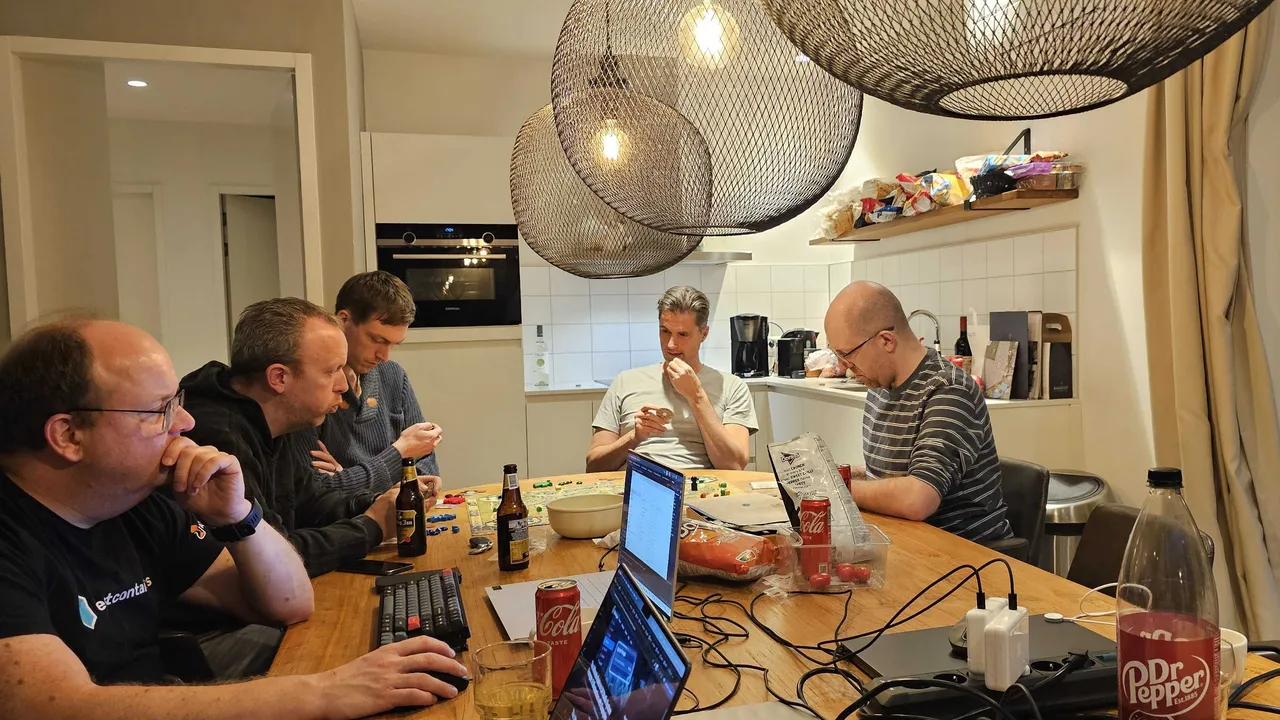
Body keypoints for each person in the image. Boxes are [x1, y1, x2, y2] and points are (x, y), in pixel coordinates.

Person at [0, 319, 467, 720]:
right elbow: (58, 708)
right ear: (67, 434)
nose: (184, 422)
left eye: (177, 401)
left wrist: (237, 517)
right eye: (160, 410)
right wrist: (322, 693)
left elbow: (290, 602)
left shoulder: (138, 505)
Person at [181, 297, 438, 577]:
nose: (342, 386)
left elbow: (309, 504)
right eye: (331, 371)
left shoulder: (272, 420)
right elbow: (273, 556)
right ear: (279, 377)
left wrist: (382, 502)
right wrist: (372, 526)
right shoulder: (217, 437)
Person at [823, 281, 1012, 543]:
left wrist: (834, 488)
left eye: (847, 355)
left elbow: (918, 497)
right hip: (906, 542)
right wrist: (829, 473)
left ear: (886, 341)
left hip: (964, 557)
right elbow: (886, 476)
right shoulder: (880, 385)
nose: (844, 366)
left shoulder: (949, 389)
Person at [285, 271, 443, 495]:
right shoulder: (311, 384)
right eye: (377, 340)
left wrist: (350, 479)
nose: (384, 356)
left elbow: (425, 461)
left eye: (393, 345)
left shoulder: (393, 375)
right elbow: (319, 491)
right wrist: (400, 453)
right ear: (343, 320)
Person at [587, 286, 757, 471]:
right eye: (665, 331)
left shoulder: (732, 387)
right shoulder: (625, 382)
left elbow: (734, 465)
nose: (670, 344)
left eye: (682, 334)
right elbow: (594, 466)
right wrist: (634, 438)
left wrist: (697, 396)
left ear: (704, 334)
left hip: (703, 490)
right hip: (637, 489)